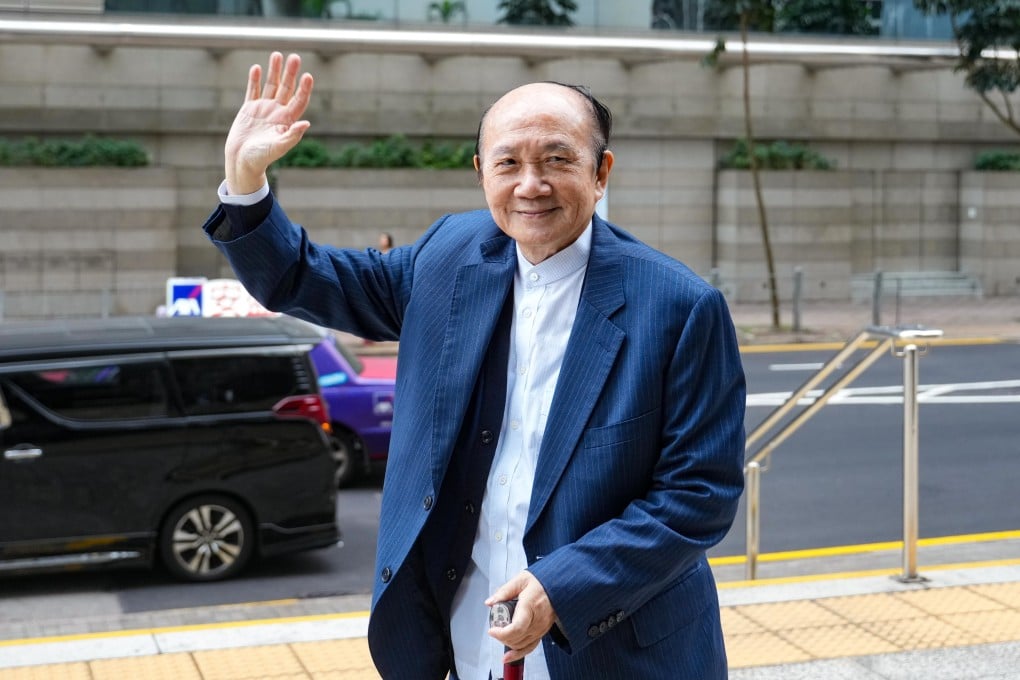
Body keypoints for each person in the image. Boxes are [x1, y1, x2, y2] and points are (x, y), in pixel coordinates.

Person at [203, 51, 746, 680]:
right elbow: (306, 278)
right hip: (461, 639)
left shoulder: (680, 307)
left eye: (557, 160)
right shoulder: (448, 256)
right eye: (508, 163)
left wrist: (561, 588)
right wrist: (245, 183)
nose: (530, 185)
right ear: (480, 172)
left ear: (601, 173)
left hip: (615, 647)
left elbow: (699, 495)